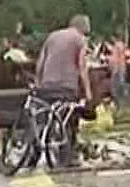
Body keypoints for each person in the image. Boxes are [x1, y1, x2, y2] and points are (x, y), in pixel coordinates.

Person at [23, 14, 91, 168]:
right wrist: (87, 92)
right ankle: (67, 157)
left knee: (41, 121)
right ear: (82, 27)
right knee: (70, 119)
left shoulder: (52, 36)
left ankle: (32, 155)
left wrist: (38, 83)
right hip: (66, 88)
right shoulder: (79, 39)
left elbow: (41, 62)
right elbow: (82, 67)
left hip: (46, 87)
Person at [106, 36, 130, 112]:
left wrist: (112, 67)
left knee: (117, 89)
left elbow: (115, 59)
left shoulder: (118, 46)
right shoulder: (119, 46)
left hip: (118, 69)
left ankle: (122, 107)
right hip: (120, 69)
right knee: (118, 88)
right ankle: (122, 107)